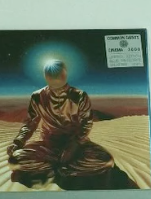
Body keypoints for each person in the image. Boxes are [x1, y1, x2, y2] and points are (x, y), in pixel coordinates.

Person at [7, 61, 132, 191]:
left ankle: (57, 169)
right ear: (45, 76)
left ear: (65, 75)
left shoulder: (79, 96)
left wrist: (74, 145)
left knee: (106, 161)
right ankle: (63, 169)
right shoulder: (37, 96)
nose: (55, 78)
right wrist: (18, 142)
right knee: (15, 160)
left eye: (59, 74)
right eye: (51, 74)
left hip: (77, 146)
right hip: (48, 145)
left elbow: (86, 124)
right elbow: (30, 123)